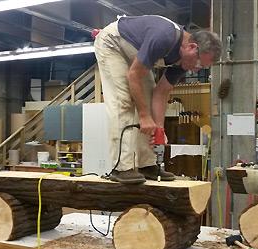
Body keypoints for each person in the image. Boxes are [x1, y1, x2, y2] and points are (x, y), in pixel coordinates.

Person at [93, 15, 222, 184]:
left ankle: (147, 164)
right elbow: (134, 76)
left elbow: (161, 93)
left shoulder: (183, 62)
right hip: (112, 44)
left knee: (146, 97)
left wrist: (159, 129)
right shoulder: (164, 37)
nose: (196, 70)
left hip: (134, 54)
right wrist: (144, 116)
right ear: (191, 47)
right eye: (199, 64)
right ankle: (121, 167)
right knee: (123, 101)